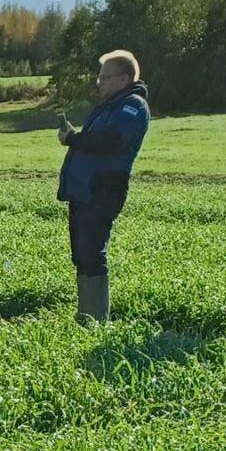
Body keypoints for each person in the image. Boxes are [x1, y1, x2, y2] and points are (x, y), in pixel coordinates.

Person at [56, 50, 150, 322]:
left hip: (103, 190)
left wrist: (74, 138)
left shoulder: (132, 106)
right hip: (86, 190)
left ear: (124, 78)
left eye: (106, 77)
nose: (100, 82)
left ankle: (96, 319)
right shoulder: (112, 105)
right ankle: (86, 316)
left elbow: (110, 141)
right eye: (100, 77)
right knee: (83, 254)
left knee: (93, 253)